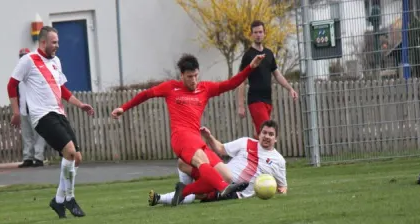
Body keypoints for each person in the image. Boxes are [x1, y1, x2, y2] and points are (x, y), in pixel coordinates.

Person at [111, 53, 265, 206]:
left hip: (196, 138)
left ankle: (184, 191)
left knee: (226, 176)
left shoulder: (205, 88)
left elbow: (230, 84)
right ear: (182, 75)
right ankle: (224, 189)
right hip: (181, 136)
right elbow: (146, 94)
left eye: (196, 76)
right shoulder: (170, 87)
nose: (194, 80)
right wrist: (123, 108)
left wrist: (250, 68)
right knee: (207, 167)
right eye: (190, 77)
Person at [7, 26, 95, 218]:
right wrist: (16, 112)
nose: (57, 46)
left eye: (58, 42)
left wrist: (80, 105)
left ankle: (58, 200)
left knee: (76, 158)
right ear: (43, 42)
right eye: (54, 42)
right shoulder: (28, 60)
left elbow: (62, 89)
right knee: (70, 152)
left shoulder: (56, 61)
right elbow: (11, 84)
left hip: (58, 113)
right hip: (41, 116)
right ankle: (69, 198)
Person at [149, 120, 287, 206]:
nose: (267, 137)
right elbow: (220, 149)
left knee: (200, 193)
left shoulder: (278, 160)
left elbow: (283, 187)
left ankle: (160, 198)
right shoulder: (246, 142)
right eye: (264, 133)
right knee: (183, 162)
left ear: (276, 139)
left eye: (271, 134)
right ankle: (185, 189)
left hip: (234, 191)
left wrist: (270, 190)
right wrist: (209, 137)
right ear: (259, 134)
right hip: (218, 174)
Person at [236, 20, 298, 138]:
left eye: (260, 32)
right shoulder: (248, 55)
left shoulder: (269, 53)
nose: (258, 34)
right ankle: (269, 156)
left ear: (264, 33)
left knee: (259, 133)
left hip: (268, 100)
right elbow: (241, 81)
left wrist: (290, 89)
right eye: (255, 32)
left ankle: (253, 155)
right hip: (255, 100)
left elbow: (277, 74)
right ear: (251, 35)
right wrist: (240, 105)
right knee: (267, 132)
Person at [16, 48, 46, 168]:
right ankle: (27, 157)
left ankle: (38, 157)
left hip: (36, 108)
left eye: (25, 56)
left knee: (38, 134)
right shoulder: (18, 74)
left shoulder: (36, 71)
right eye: (21, 56)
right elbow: (16, 92)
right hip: (24, 108)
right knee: (26, 134)